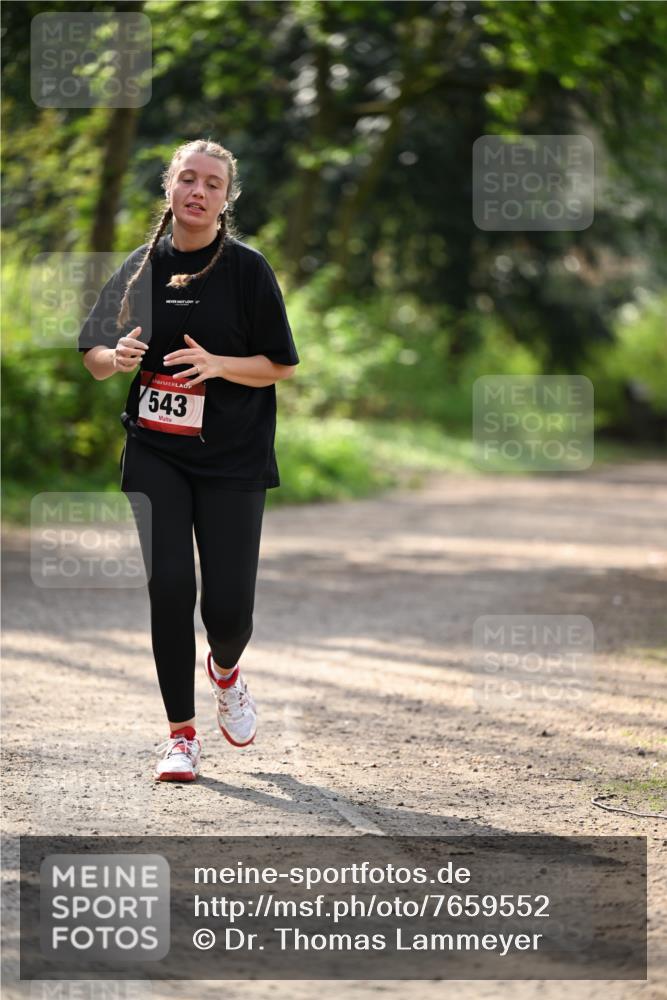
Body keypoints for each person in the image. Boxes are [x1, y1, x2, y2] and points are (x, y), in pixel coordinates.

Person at [78, 138, 300, 782]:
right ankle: (180, 735)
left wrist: (217, 366)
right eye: (188, 180)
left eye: (212, 184)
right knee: (169, 586)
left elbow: (279, 365)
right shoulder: (140, 266)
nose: (198, 192)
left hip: (234, 456)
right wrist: (111, 360)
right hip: (155, 449)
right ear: (169, 188)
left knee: (228, 612)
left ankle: (226, 670)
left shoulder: (248, 270)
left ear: (227, 198)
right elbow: (91, 350)